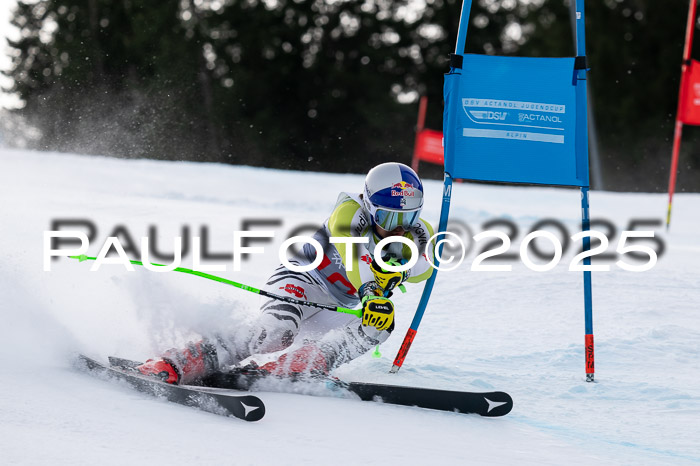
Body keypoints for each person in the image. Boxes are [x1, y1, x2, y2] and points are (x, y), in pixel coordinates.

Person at [137, 162, 436, 384]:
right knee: (276, 334)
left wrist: (399, 274)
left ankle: (288, 370)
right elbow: (354, 259)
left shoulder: (416, 233)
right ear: (370, 206)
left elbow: (424, 268)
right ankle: (177, 362)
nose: (399, 225)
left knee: (379, 325)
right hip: (301, 282)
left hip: (333, 305)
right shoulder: (349, 212)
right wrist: (372, 291)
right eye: (388, 216)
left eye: (408, 216)